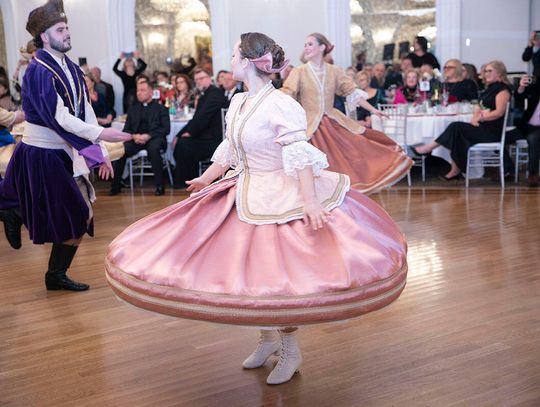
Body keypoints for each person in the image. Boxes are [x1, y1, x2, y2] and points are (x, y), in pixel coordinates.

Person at [105, 32, 408, 386]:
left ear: (248, 62)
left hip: (280, 194)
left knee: (278, 278)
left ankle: (290, 350)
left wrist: (310, 201)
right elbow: (230, 149)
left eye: (235, 55)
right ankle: (267, 340)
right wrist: (207, 177)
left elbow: (299, 156)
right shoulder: (238, 101)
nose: (230, 60)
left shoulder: (280, 104)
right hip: (243, 189)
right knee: (253, 278)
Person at [0, 0, 131, 290]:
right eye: (60, 29)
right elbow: (58, 117)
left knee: (81, 215)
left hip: (61, 152)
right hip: (42, 154)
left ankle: (54, 273)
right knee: (75, 213)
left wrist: (99, 152)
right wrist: (101, 135)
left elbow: (84, 109)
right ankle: (13, 211)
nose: (68, 33)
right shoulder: (37, 71)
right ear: (44, 37)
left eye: (67, 27)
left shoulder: (68, 66)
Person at [281, 33, 411, 193]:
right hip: (309, 126)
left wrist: (373, 110)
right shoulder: (299, 71)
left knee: (354, 150)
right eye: (305, 45)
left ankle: (346, 191)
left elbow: (351, 92)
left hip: (333, 121)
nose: (306, 48)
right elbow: (287, 93)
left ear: (322, 47)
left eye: (310, 44)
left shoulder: (335, 71)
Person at [413, 60, 511, 180]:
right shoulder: (489, 89)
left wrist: (481, 117)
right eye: (485, 71)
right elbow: (478, 106)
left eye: (490, 71)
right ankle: (455, 169)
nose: (486, 74)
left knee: (456, 127)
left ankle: (430, 148)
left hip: (492, 131)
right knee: (457, 134)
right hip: (482, 126)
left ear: (499, 73)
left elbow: (499, 112)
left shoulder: (502, 90)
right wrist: (475, 117)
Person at [109, 79, 170, 196]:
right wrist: (134, 136)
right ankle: (115, 185)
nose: (139, 93)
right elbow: (126, 129)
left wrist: (149, 135)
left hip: (155, 138)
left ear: (151, 92)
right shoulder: (133, 109)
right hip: (136, 139)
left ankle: (160, 186)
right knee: (120, 150)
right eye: (138, 91)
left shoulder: (161, 108)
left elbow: (166, 129)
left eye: (143, 90)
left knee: (154, 149)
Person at [171, 68, 227, 188]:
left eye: (201, 78)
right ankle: (187, 179)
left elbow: (203, 118)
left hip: (214, 139)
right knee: (181, 141)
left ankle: (186, 181)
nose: (198, 82)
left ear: (209, 79)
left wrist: (190, 133)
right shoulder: (205, 94)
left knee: (184, 144)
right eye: (196, 80)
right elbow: (196, 118)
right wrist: (178, 134)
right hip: (205, 135)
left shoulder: (215, 93)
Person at [504, 75, 540, 187]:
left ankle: (533, 174)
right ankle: (509, 169)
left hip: (537, 129)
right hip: (526, 126)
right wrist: (521, 87)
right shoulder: (536, 84)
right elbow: (519, 96)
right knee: (498, 137)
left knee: (533, 139)